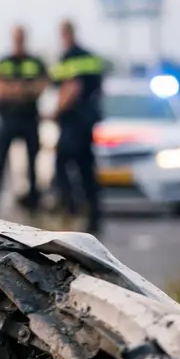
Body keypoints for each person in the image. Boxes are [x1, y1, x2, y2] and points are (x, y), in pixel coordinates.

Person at [0, 25, 49, 216]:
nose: (18, 40)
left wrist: (15, 89)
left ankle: (34, 203)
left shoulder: (35, 62)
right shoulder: (4, 62)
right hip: (8, 119)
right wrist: (25, 89)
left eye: (21, 36)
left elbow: (41, 86)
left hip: (29, 119)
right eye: (15, 37)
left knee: (33, 164)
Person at [49, 19, 107, 234]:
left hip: (73, 121)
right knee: (86, 170)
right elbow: (98, 88)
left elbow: (72, 88)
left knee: (61, 162)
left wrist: (55, 111)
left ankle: (71, 204)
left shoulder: (70, 57)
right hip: (87, 121)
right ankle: (94, 217)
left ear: (65, 34)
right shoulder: (90, 57)